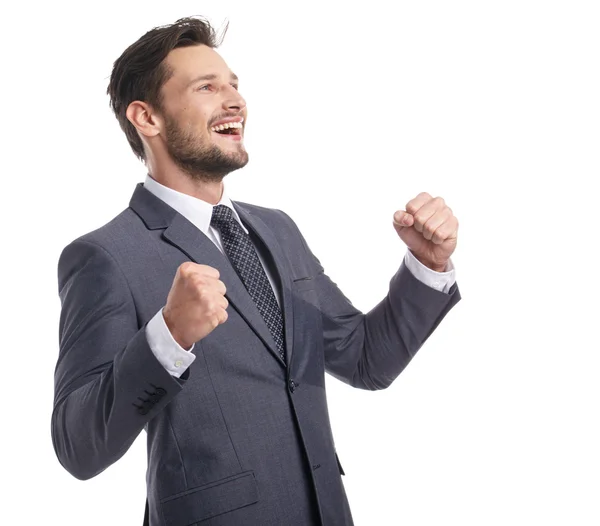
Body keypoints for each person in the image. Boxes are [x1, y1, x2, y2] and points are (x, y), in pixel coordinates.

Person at [52, 16, 461, 526]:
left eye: (235, 86)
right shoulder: (106, 256)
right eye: (207, 87)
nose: (236, 101)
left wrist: (427, 264)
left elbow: (363, 360)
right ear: (147, 117)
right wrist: (168, 336)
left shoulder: (277, 230)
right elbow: (78, 446)